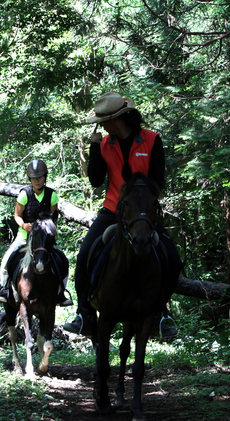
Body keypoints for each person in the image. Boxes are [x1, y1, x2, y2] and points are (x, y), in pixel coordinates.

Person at [63, 92, 183, 338]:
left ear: (117, 119)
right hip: (112, 211)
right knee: (85, 255)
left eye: (103, 121)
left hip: (143, 214)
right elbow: (96, 180)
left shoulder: (151, 140)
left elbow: (158, 181)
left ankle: (161, 314)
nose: (101, 126)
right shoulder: (105, 144)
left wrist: (141, 204)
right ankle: (84, 313)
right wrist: (94, 149)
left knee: (172, 259)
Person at [0, 160, 73, 307]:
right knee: (6, 259)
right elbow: (17, 215)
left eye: (40, 177)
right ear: (30, 179)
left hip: (43, 240)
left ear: (45, 177)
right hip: (24, 237)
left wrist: (49, 233)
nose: (37, 180)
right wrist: (24, 225)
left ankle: (60, 292)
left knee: (63, 259)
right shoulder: (24, 195)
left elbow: (52, 218)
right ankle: (4, 289)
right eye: (33, 178)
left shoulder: (52, 196)